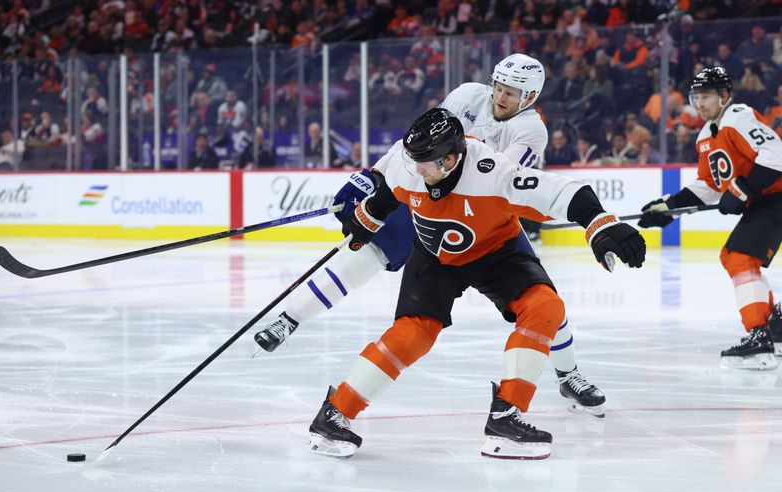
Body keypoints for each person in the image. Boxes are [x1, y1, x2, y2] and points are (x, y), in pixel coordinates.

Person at [255, 54, 613, 418]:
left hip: (480, 214)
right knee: (363, 253)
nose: (502, 96)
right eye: (500, 87)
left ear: (530, 97)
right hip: (427, 191)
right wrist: (375, 176)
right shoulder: (468, 95)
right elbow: (421, 140)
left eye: (513, 92)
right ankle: (290, 318)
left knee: (541, 297)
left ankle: (568, 374)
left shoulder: (531, 130)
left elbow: (503, 179)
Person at [306, 108, 646, 459]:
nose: (416, 168)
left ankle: (506, 416)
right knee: (411, 334)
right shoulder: (409, 165)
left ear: (451, 159)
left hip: (496, 252)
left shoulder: (492, 173)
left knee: (545, 307)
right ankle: (335, 412)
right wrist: (364, 220)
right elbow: (387, 196)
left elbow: (564, 192)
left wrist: (601, 224)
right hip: (435, 254)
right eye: (413, 158)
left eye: (425, 161)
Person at [638, 67, 782, 370]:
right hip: (765, 202)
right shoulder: (705, 136)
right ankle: (773, 327)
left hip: (776, 197)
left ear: (724, 96)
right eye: (697, 96)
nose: (699, 103)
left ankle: (760, 337)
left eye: (706, 96)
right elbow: (710, 186)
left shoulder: (738, 116)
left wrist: (742, 189)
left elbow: (776, 154)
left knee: (740, 258)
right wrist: (669, 208)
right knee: (733, 256)